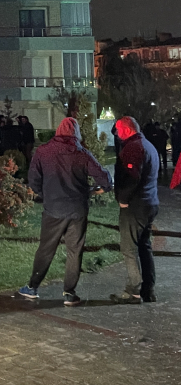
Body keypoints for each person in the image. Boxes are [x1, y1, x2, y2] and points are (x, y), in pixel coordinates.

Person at [18, 116, 112, 306]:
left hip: (53, 209)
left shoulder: (43, 151)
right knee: (74, 251)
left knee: (45, 249)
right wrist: (98, 190)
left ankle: (33, 287)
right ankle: (69, 293)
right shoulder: (82, 153)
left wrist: (45, 193)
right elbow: (104, 179)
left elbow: (34, 180)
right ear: (76, 133)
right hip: (77, 210)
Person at [110, 116, 160, 304]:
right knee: (144, 247)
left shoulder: (133, 148)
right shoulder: (147, 145)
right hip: (150, 203)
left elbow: (132, 177)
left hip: (135, 206)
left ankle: (133, 290)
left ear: (127, 129)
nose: (117, 134)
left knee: (129, 248)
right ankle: (148, 289)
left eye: (118, 129)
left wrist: (122, 199)